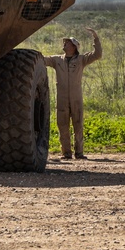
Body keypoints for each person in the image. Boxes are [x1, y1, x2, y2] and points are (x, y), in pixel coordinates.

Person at [43, 28, 102, 160]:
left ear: (74, 47)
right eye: (65, 42)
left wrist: (96, 38)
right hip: (62, 98)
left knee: (78, 124)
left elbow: (97, 55)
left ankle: (79, 152)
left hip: (76, 98)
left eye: (68, 43)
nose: (64, 44)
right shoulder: (57, 60)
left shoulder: (82, 59)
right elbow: (43, 60)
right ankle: (66, 153)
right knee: (62, 125)